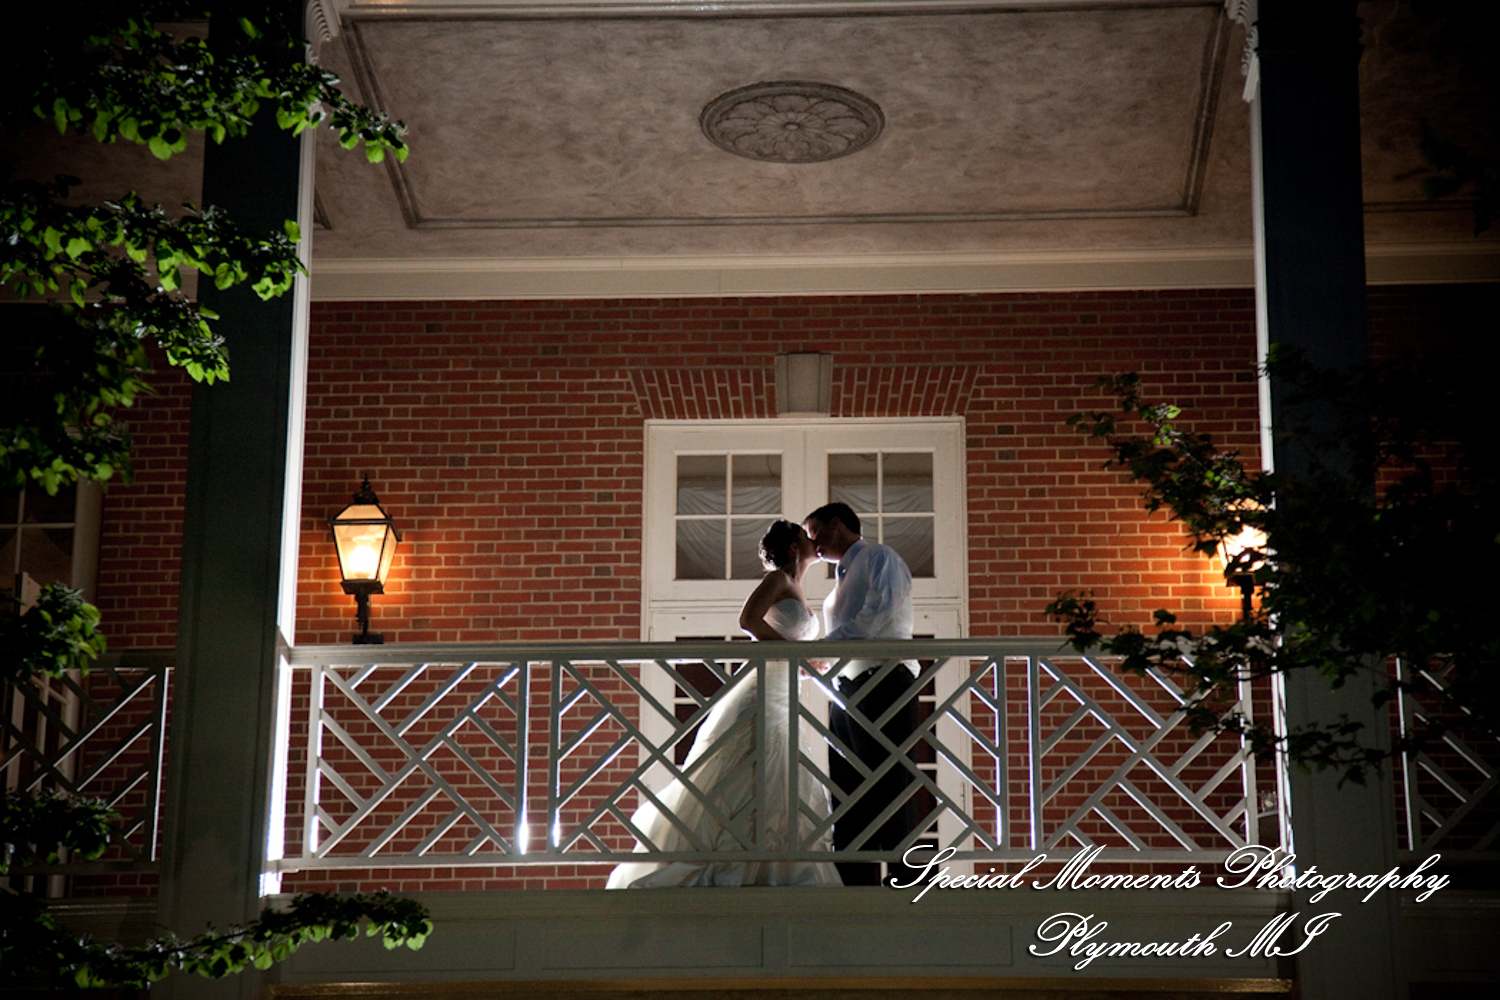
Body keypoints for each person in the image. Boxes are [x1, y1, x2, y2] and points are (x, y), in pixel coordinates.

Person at [607, 520, 841, 888]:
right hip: (762, 686)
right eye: (804, 535)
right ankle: (734, 859)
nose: (813, 540)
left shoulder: (798, 587)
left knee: (781, 767)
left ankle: (773, 864)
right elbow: (747, 620)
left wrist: (806, 666)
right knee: (750, 759)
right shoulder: (778, 580)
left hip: (785, 688)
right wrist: (793, 653)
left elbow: (785, 640)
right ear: (794, 547)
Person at [803, 501, 922, 886]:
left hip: (885, 679)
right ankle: (854, 877)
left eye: (814, 532)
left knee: (889, 779)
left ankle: (909, 875)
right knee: (846, 783)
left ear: (835, 523)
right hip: (846, 690)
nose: (812, 543)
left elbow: (881, 611)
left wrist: (828, 646)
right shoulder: (838, 580)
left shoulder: (879, 557)